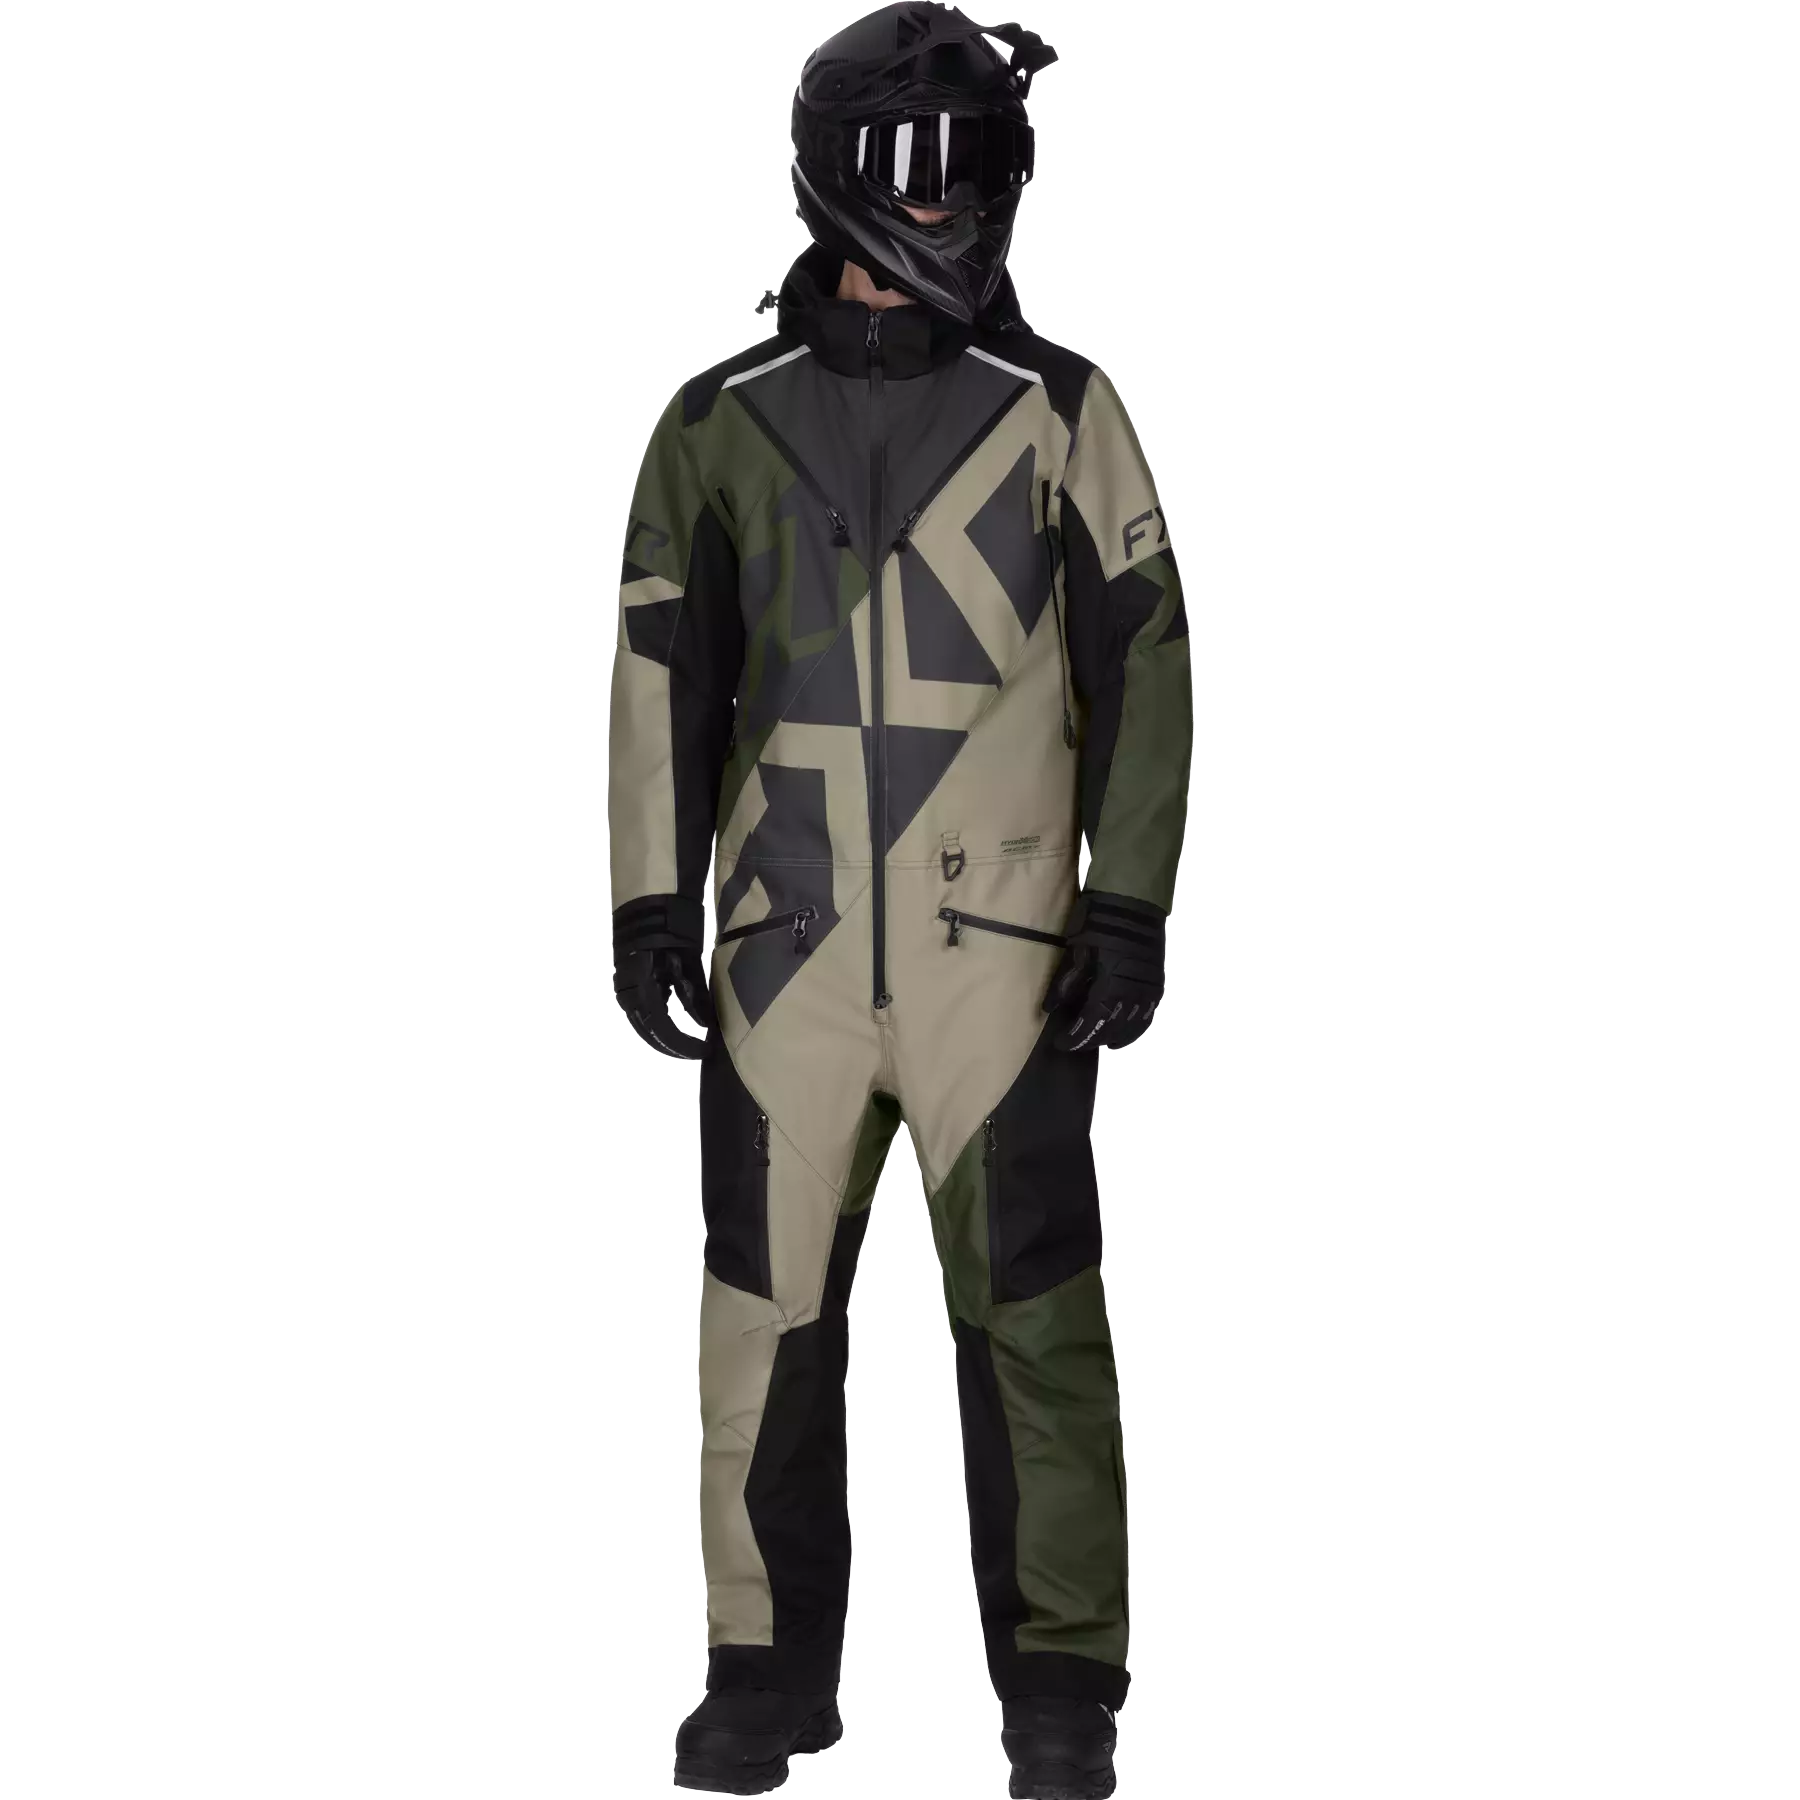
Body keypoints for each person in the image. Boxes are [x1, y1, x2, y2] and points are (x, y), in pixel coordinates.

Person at [606, 5, 1192, 1794]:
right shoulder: (715, 424)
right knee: (758, 1320)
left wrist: (1128, 898)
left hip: (999, 960)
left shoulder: (1062, 412)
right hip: (778, 947)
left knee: (1036, 1322)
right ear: (844, 174)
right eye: (930, 168)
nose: (962, 206)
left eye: (986, 168)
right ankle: (763, 1671)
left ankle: (1063, 1691)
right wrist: (645, 899)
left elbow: (1148, 658)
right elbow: (660, 672)